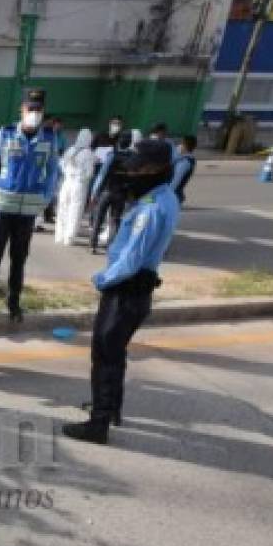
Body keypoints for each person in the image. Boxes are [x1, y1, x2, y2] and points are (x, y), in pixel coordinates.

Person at [62, 140, 180, 445]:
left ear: (155, 169)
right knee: (115, 353)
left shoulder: (151, 209)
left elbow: (131, 259)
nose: (134, 173)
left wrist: (102, 279)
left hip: (125, 290)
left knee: (105, 354)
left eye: (139, 167)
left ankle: (98, 424)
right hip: (135, 290)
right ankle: (110, 408)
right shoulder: (164, 197)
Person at [0, 88, 60, 324]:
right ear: (21, 110)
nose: (34, 113)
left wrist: (44, 200)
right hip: (1, 208)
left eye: (38, 109)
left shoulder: (50, 139)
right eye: (30, 109)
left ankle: (13, 304)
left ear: (43, 112)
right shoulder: (6, 134)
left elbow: (53, 172)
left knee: (19, 260)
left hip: (27, 213)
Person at [88, 129, 135, 254]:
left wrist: (94, 193)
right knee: (115, 220)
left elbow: (102, 175)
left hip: (108, 191)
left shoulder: (112, 155)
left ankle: (93, 245)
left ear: (119, 141)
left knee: (99, 217)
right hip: (122, 193)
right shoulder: (133, 157)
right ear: (130, 142)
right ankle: (112, 246)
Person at [55, 129, 95, 246]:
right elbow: (89, 173)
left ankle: (59, 235)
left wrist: (67, 173)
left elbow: (61, 163)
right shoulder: (88, 153)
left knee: (62, 208)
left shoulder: (71, 149)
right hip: (79, 184)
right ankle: (69, 237)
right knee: (75, 210)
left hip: (67, 182)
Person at [41, 116, 68, 227]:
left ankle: (48, 214)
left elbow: (64, 150)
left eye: (59, 124)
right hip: (44, 167)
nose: (57, 126)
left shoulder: (61, 137)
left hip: (56, 166)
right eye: (55, 123)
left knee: (51, 192)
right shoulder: (44, 134)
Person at [171, 135, 197, 204]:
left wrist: (166, 194)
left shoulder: (185, 163)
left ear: (184, 146)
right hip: (173, 194)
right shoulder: (182, 158)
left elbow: (175, 181)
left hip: (172, 196)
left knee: (147, 202)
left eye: (181, 144)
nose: (179, 146)